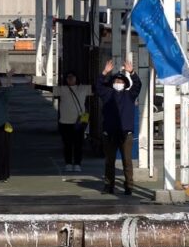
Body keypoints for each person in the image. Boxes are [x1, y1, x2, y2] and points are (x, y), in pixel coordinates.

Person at [95, 58, 142, 195]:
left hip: (125, 134)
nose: (118, 83)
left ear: (125, 84)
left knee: (127, 162)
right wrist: (104, 72)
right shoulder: (107, 94)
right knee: (109, 161)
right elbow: (98, 86)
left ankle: (129, 186)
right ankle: (109, 186)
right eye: (116, 81)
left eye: (121, 81)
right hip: (109, 133)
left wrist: (132, 72)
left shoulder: (130, 95)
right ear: (112, 83)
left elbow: (138, 85)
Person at [53, 71, 92, 172]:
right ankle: (68, 163)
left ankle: (78, 163)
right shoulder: (62, 89)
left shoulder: (84, 88)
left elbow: (98, 87)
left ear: (76, 78)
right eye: (68, 77)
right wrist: (34, 85)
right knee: (67, 144)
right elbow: (48, 88)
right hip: (65, 122)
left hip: (79, 122)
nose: (70, 79)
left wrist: (105, 74)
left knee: (78, 144)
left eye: (72, 77)